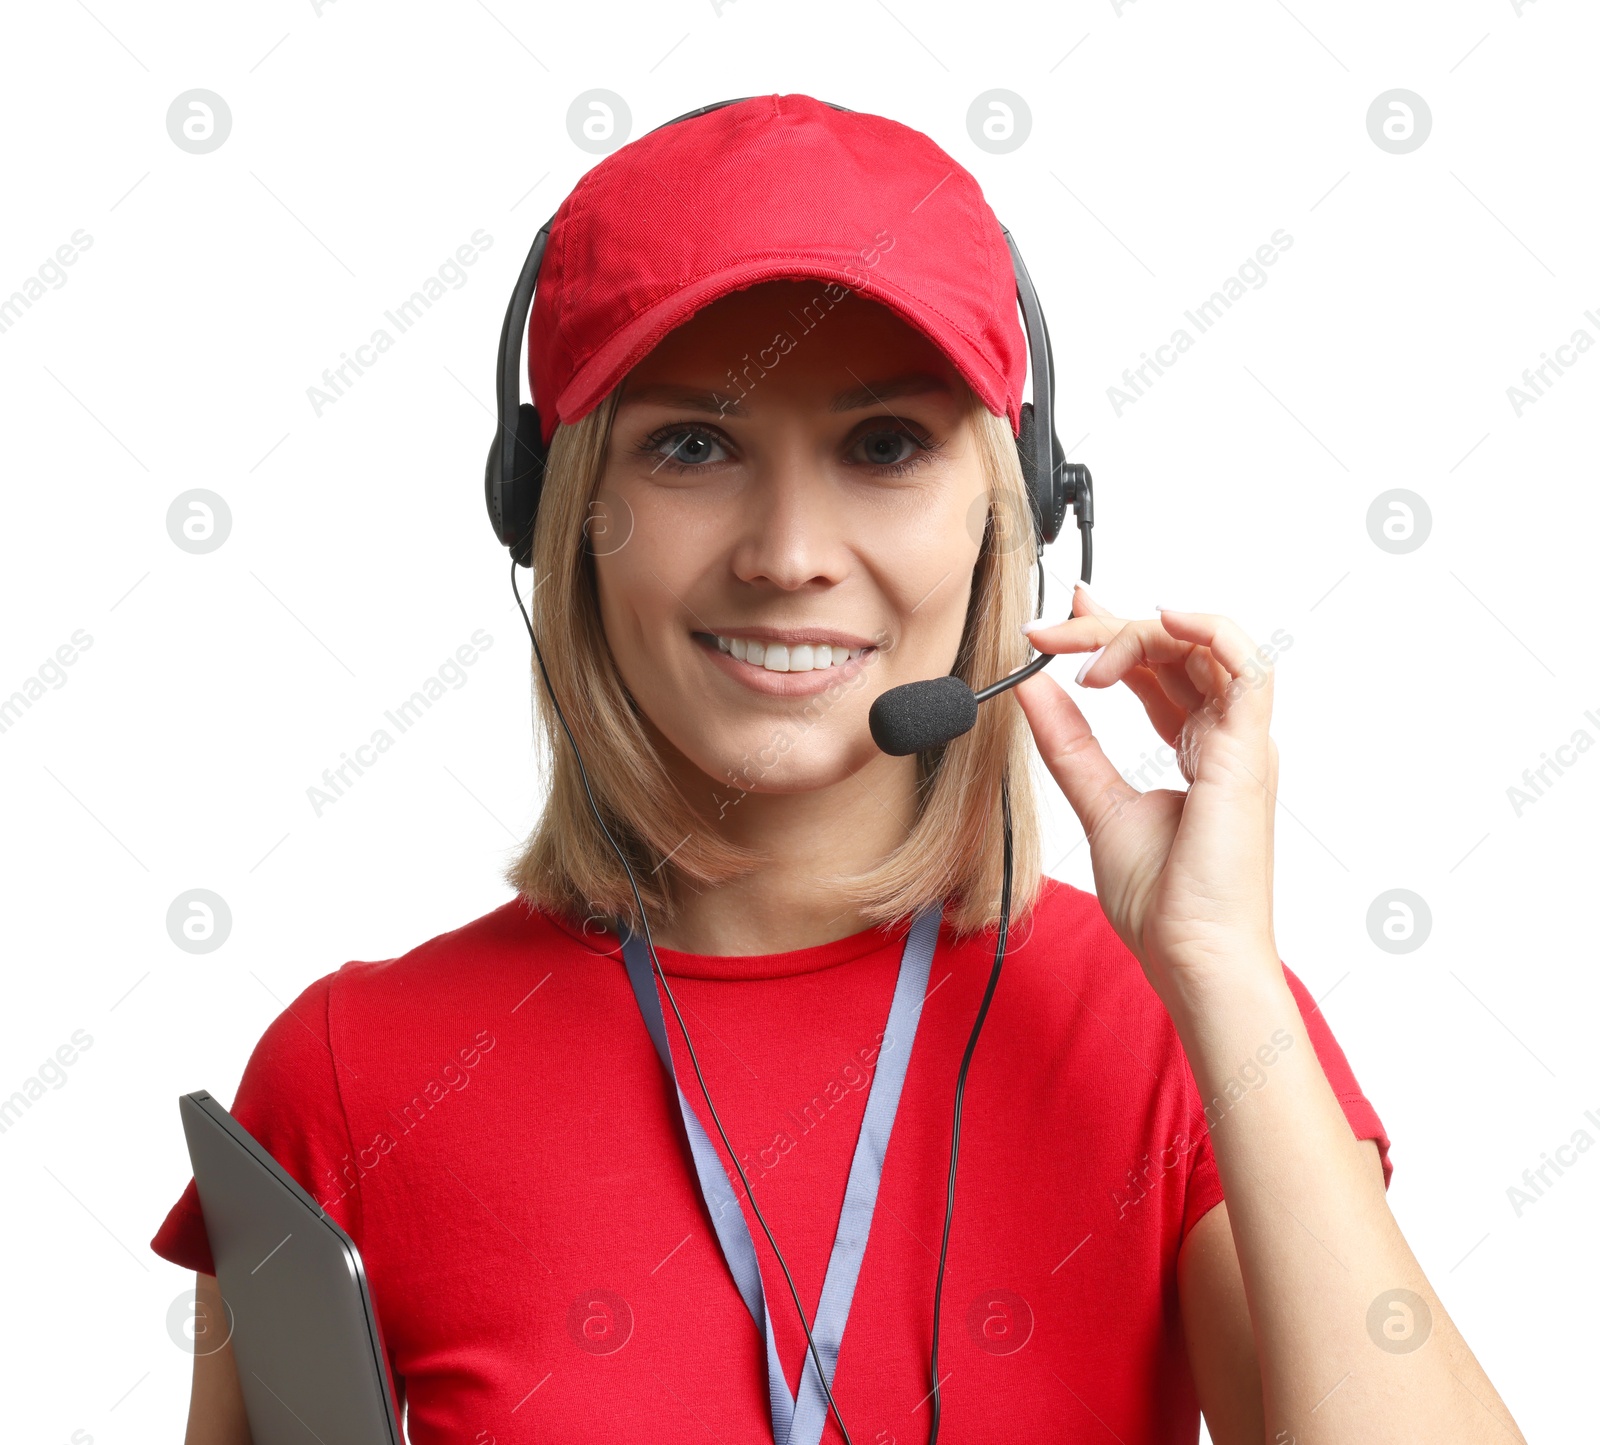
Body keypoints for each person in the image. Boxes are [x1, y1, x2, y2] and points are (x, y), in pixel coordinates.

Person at [154, 94, 1525, 1445]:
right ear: (558, 516)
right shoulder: (349, 1080)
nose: (789, 550)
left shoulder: (1176, 1025)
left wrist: (1224, 967)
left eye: (884, 446)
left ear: (1012, 512)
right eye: (693, 445)